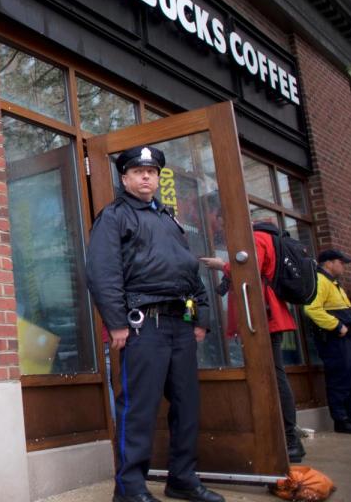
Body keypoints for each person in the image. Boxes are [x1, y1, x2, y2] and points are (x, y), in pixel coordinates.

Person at [86, 146, 224, 502]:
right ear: (125, 178)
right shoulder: (114, 216)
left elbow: (189, 271)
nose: (146, 176)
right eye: (137, 171)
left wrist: (201, 318)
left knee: (187, 405)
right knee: (139, 408)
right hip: (142, 325)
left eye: (152, 171)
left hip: (180, 324)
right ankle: (130, 489)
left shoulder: (168, 218)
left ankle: (182, 478)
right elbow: (103, 273)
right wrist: (116, 322)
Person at [200, 221, 305, 462]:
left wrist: (221, 265)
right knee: (273, 375)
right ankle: (286, 437)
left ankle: (290, 440)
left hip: (262, 317)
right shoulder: (269, 239)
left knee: (274, 377)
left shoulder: (257, 238)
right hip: (266, 316)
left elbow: (249, 270)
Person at [304, 249, 351, 434]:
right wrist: (338, 326)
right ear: (329, 263)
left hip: (345, 339)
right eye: (341, 262)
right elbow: (311, 309)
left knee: (349, 379)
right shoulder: (321, 280)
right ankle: (342, 421)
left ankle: (350, 417)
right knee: (339, 380)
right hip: (334, 340)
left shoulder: (332, 283)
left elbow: (347, 309)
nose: (343, 265)